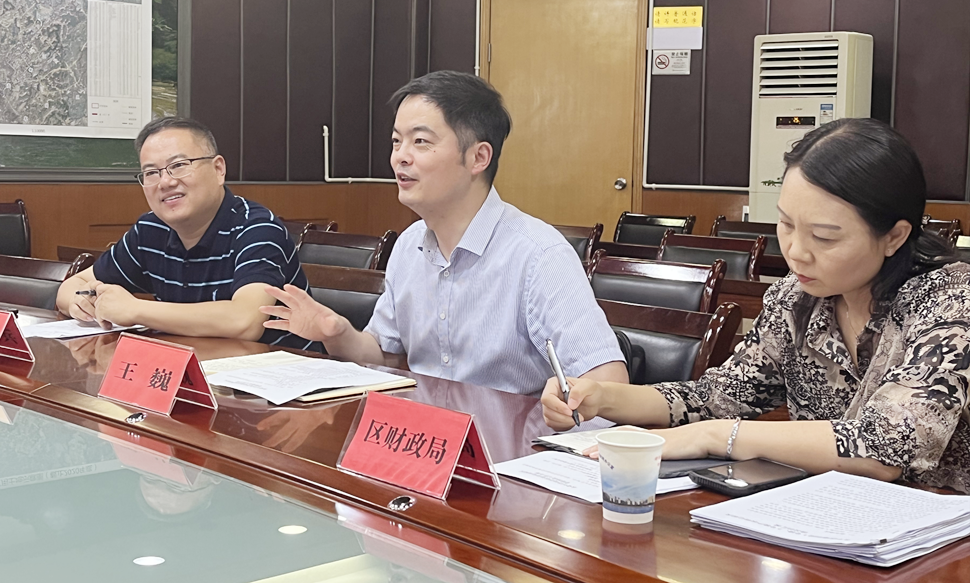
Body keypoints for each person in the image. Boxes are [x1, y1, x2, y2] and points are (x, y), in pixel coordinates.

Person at [543, 118, 970, 492]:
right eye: (785, 224)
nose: (796, 252)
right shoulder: (796, 297)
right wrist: (602, 397)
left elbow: (885, 448)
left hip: (942, 532)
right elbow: (717, 397)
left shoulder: (951, 302)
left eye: (824, 237)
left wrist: (716, 437)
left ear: (894, 236)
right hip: (829, 515)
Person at [262, 71, 627, 395]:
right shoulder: (409, 245)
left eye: (420, 142)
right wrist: (337, 332)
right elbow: (384, 354)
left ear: (478, 158)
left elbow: (608, 385)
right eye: (396, 141)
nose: (400, 157)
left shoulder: (539, 256)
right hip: (428, 438)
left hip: (509, 444)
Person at [56, 117, 316, 349]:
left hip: (277, 378)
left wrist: (134, 309)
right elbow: (71, 287)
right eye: (151, 172)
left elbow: (245, 321)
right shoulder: (151, 229)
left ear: (218, 169)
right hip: (195, 369)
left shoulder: (257, 228)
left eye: (179, 165)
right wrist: (81, 303)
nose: (166, 182)